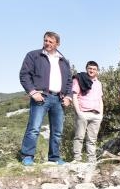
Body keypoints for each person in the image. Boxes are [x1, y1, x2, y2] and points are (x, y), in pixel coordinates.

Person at [18, 31, 72, 166]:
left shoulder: (63, 61)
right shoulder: (34, 56)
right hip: (41, 97)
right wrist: (32, 92)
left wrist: (69, 97)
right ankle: (27, 156)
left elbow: (69, 81)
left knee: (57, 131)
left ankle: (54, 157)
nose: (47, 43)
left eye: (50, 41)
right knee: (34, 128)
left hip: (59, 99)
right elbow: (24, 75)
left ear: (57, 44)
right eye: (45, 40)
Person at [71, 61, 103, 163]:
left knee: (92, 139)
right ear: (86, 69)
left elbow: (100, 99)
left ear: (97, 71)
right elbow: (74, 95)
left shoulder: (98, 83)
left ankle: (91, 159)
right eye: (90, 68)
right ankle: (77, 159)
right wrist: (78, 112)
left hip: (96, 114)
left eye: (94, 69)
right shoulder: (79, 79)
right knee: (79, 137)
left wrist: (101, 114)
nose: (92, 71)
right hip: (83, 113)